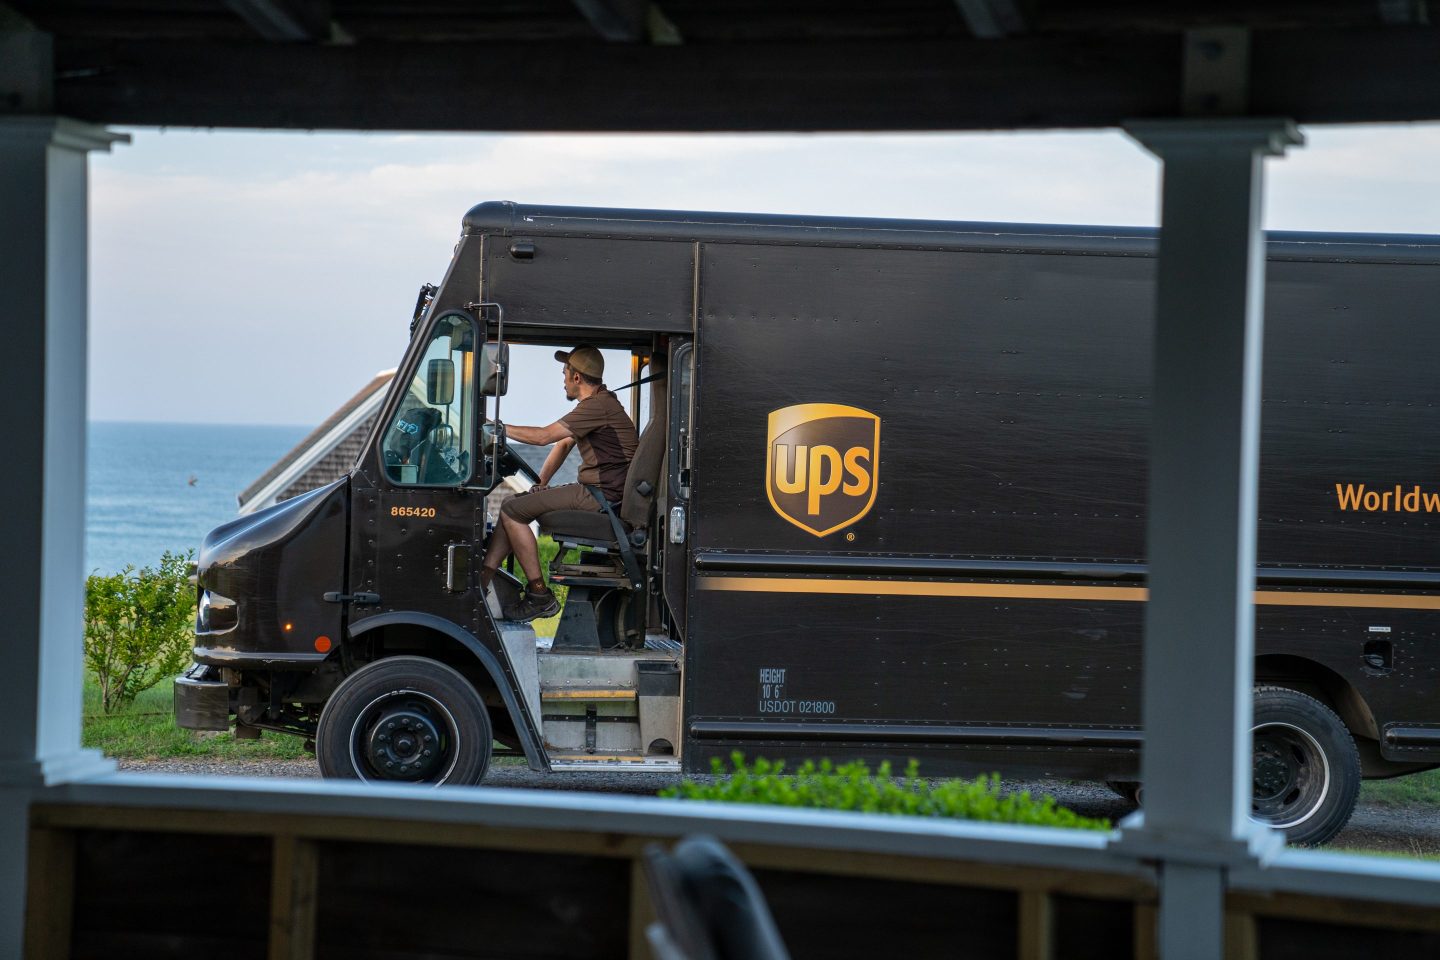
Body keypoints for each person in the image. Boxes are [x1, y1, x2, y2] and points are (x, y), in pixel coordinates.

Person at [480, 344, 639, 621]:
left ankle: (539, 595)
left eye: (565, 372)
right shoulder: (598, 404)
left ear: (577, 378)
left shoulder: (597, 406)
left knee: (510, 509)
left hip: (600, 495)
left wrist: (498, 429)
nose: (562, 378)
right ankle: (481, 582)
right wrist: (541, 482)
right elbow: (563, 443)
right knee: (513, 505)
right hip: (600, 492)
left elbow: (544, 437)